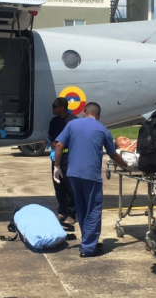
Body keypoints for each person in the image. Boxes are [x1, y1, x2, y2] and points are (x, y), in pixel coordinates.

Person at [53, 102, 128, 257]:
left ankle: (87, 241)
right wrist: (126, 166)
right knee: (93, 209)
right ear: (98, 116)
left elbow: (59, 145)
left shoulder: (72, 124)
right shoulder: (103, 130)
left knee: (81, 207)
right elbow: (113, 154)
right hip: (91, 175)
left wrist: (57, 166)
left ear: (84, 112)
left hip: (73, 173)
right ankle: (88, 247)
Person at [47, 97, 77, 226]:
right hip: (56, 157)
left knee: (69, 186)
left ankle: (71, 214)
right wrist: (47, 141)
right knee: (58, 185)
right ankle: (62, 211)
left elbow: (74, 139)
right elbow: (51, 136)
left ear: (61, 108)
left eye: (54, 106)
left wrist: (59, 144)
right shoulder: (54, 121)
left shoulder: (73, 121)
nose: (52, 108)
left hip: (68, 157)